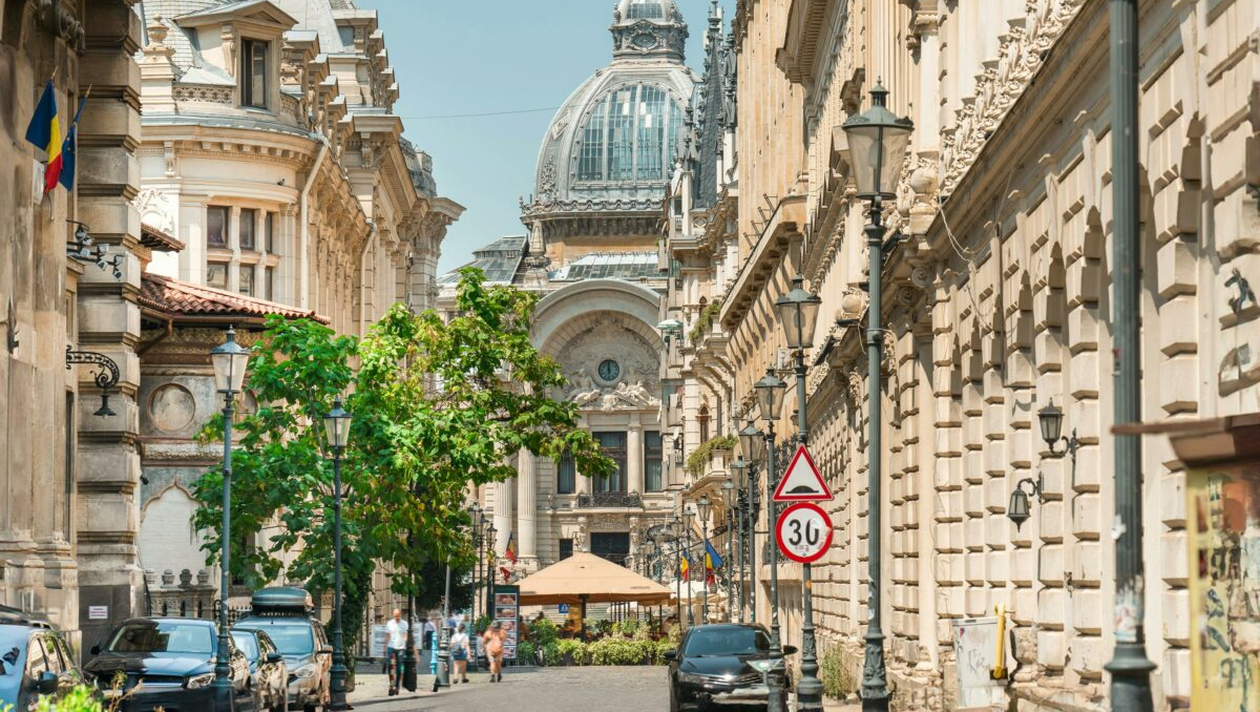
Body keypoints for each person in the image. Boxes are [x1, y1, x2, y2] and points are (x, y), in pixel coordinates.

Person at [385, 609, 408, 696]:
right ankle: (391, 684)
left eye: (398, 615)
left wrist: (405, 643)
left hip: (400, 648)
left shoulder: (404, 623)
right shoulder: (389, 624)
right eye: (395, 616)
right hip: (391, 647)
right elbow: (387, 636)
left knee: (399, 668)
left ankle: (397, 686)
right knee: (390, 667)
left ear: (400, 615)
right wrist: (385, 647)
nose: (396, 617)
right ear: (393, 615)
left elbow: (405, 635)